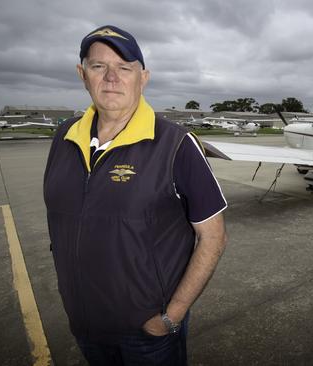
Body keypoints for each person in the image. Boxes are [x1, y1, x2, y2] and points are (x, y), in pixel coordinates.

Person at [43, 25, 228, 365]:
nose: (111, 77)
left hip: (148, 331)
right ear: (83, 74)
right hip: (85, 323)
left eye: (125, 67)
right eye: (99, 66)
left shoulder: (176, 144)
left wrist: (172, 315)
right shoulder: (64, 137)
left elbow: (213, 237)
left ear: (143, 78)